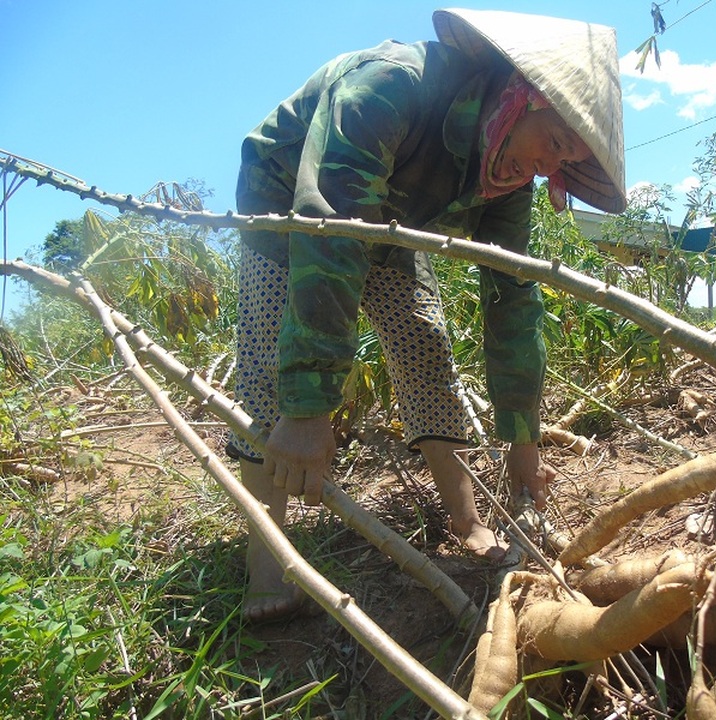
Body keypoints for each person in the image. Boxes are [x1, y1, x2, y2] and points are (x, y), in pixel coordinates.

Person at [226, 8, 626, 621]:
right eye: (553, 144)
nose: (548, 170)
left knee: (424, 345)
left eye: (565, 163)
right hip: (288, 204)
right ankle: (267, 566)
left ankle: (466, 522)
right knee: (271, 357)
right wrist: (309, 408)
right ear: (521, 99)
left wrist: (524, 445)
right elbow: (328, 223)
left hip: (392, 222)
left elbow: (513, 301)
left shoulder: (507, 182)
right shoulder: (390, 87)